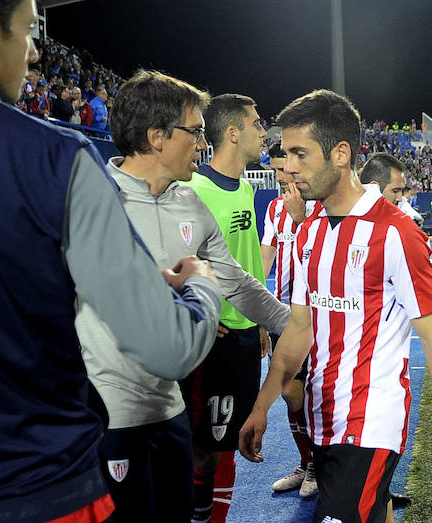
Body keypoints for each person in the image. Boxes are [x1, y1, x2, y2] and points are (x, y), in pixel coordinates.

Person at [0, 1, 223, 520]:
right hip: (40, 489)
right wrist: (200, 285)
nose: (32, 52)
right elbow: (170, 346)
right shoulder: (58, 157)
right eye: (28, 31)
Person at [239, 89, 432, 523]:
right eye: (285, 153)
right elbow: (298, 329)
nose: (288, 167)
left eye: (299, 153)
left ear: (341, 154)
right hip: (322, 420)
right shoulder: (309, 230)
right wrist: (262, 407)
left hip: (370, 422)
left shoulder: (396, 233)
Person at [78, 69, 290, 522]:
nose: (202, 143)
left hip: (169, 410)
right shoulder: (91, 201)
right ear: (157, 137)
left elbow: (234, 280)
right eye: (194, 132)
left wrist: (289, 324)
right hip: (109, 417)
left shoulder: (189, 203)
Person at [179, 92, 270, 523]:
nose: (263, 130)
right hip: (213, 341)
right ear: (233, 133)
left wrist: (262, 324)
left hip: (246, 336)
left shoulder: (248, 188)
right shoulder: (192, 190)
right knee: (204, 450)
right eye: (256, 123)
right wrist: (194, 311)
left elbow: (247, 265)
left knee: (228, 444)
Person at [260, 142, 321, 499]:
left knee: (312, 395)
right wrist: (256, 313)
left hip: (314, 317)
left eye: (283, 168)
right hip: (280, 314)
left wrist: (301, 220)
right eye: (276, 171)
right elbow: (265, 259)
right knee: (288, 394)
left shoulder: (319, 207)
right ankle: (307, 461)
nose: (280, 175)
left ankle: (319, 463)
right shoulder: (273, 208)